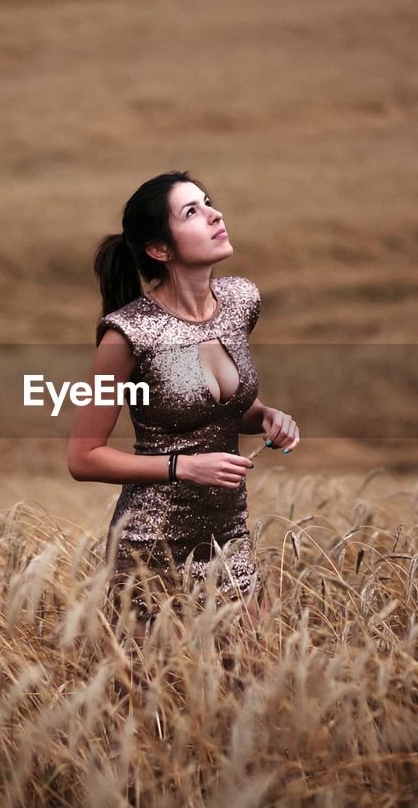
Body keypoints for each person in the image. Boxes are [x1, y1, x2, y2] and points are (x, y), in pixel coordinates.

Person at [67, 171, 300, 629]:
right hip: (151, 547)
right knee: (159, 695)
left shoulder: (240, 302)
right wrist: (184, 466)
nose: (215, 214)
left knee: (259, 677)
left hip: (228, 537)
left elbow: (215, 411)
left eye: (208, 202)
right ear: (160, 249)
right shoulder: (128, 333)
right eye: (192, 212)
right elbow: (83, 457)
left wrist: (268, 416)